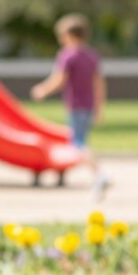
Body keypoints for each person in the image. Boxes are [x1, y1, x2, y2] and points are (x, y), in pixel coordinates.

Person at [32, 13, 110, 199]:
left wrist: (42, 90)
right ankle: (98, 178)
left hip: (75, 105)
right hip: (88, 105)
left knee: (78, 144)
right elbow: (99, 83)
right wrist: (99, 108)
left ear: (69, 35)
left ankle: (100, 174)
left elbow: (59, 79)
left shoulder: (67, 56)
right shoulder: (91, 56)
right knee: (80, 141)